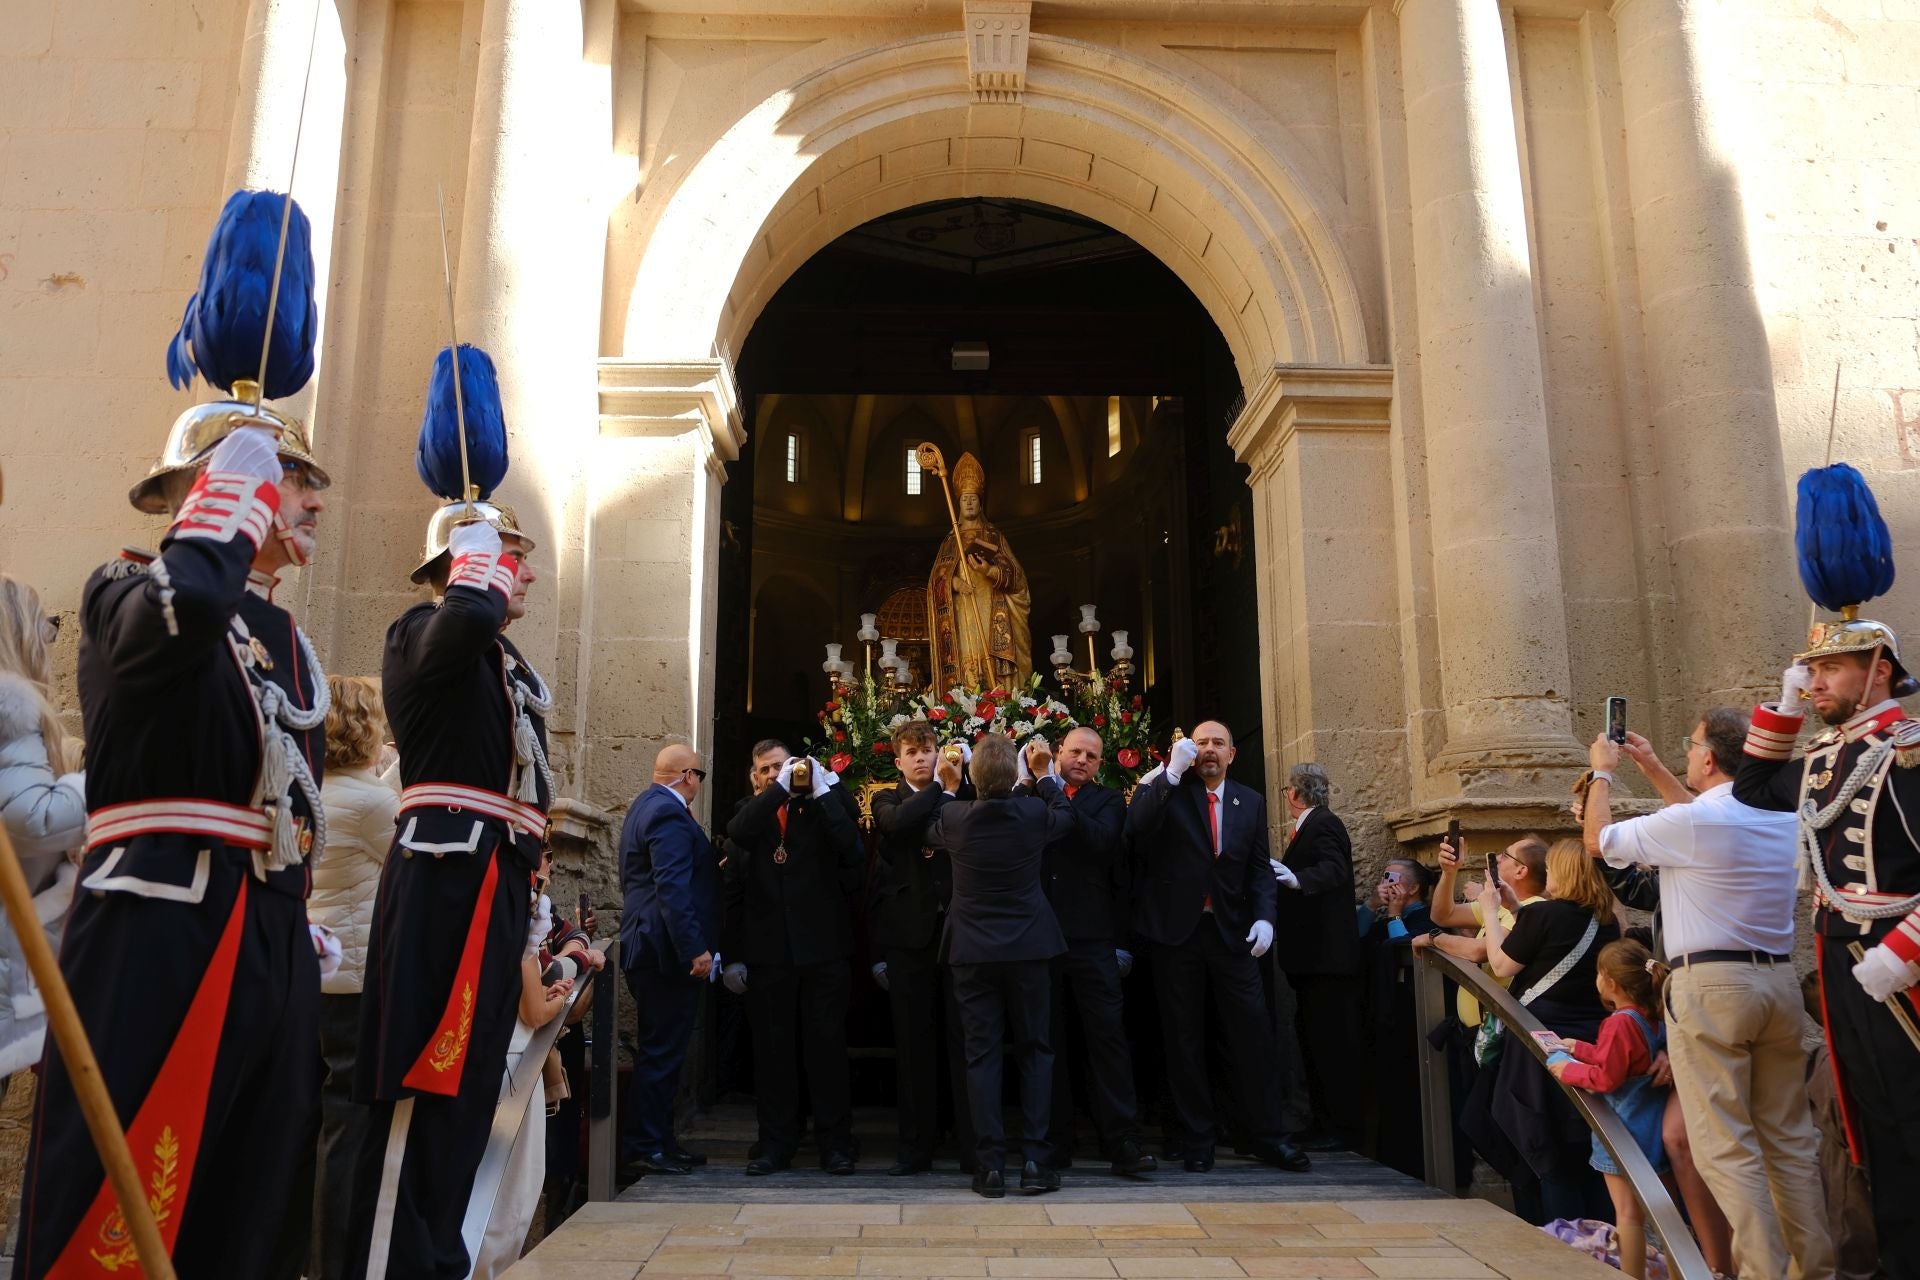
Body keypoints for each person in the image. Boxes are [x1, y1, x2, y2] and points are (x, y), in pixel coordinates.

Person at [16, 403, 333, 1278]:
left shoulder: (284, 634)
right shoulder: (127, 588)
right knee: (124, 1201)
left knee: (257, 1200)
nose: (314, 499)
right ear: (212, 485)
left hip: (270, 928)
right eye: (293, 476)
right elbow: (188, 601)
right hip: (163, 924)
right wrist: (229, 495)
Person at [349, 488, 553, 1280]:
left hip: (492, 878)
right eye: (513, 559)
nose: (525, 575)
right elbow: (456, 629)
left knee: (468, 1092)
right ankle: (393, 1263)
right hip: (444, 877)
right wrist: (476, 567)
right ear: (465, 567)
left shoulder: (499, 656)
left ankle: (438, 1260)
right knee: (425, 1084)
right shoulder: (422, 632)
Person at [1587, 711, 1834, 1280]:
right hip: (1775, 981)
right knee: (1790, 1139)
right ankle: (1815, 1268)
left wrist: (1602, 773)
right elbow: (1702, 820)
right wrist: (1653, 767)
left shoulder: (1697, 821)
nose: (1687, 753)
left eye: (1690, 744)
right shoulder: (1779, 818)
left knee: (1725, 1145)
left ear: (1708, 757)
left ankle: (1763, 1272)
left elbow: (1598, 842)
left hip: (1711, 985)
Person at [1736, 625, 1920, 1278]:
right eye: (1808, 672)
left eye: (1830, 669)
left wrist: (1905, 950)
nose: (1815, 684)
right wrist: (1784, 706)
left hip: (1900, 964)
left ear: (1879, 670)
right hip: (1842, 962)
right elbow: (1753, 787)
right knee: (1875, 1126)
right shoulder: (1822, 758)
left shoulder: (1908, 751)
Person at [1125, 721, 1308, 1173]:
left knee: (1253, 1034)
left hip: (1232, 934)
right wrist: (1169, 772)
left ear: (1231, 754)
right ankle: (1197, 1139)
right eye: (1201, 742)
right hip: (1176, 934)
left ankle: (1267, 1136)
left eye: (1217, 743)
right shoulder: (1170, 789)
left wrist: (1265, 917)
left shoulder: (1251, 801)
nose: (1208, 749)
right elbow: (1135, 829)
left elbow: (1258, 868)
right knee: (1183, 1037)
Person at [931, 734, 1072, 1196]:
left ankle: (989, 1165)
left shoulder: (954, 816)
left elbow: (929, 825)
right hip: (1028, 948)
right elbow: (1066, 816)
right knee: (1035, 1050)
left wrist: (948, 786)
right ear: (1016, 776)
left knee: (981, 1055)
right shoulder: (1032, 813)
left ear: (972, 777)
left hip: (972, 950)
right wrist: (1045, 775)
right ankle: (1034, 1161)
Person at [722, 745, 865, 1175]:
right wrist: (778, 791)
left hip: (823, 950)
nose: (773, 774)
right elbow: (738, 835)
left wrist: (820, 789)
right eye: (764, 769)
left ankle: (835, 1143)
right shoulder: (751, 812)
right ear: (755, 778)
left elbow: (852, 848)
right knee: (773, 1053)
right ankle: (775, 1143)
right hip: (769, 953)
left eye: (780, 767)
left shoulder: (822, 806)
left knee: (826, 1050)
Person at [1031, 726, 1155, 1176]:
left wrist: (1049, 787)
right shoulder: (1030, 794)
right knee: (1047, 1041)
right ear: (1058, 752)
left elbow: (1100, 843)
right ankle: (1052, 1142)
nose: (1082, 760)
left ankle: (1121, 1140)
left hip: (1092, 938)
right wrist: (1040, 785)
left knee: (1108, 1041)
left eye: (1092, 756)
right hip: (1041, 939)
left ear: (1101, 764)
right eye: (1075, 752)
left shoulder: (1107, 801)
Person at [311, 675, 400, 1280]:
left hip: (314, 975)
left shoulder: (312, 791)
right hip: (355, 978)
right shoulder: (371, 802)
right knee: (351, 1128)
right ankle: (339, 1264)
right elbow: (401, 864)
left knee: (319, 1124)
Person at [1483, 838, 1619, 1224]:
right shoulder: (1606, 921)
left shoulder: (1545, 914)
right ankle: (1599, 1235)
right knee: (1588, 1142)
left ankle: (1562, 1235)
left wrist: (1492, 912)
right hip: (1589, 1042)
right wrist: (1516, 909)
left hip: (1542, 1043)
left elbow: (1501, 965)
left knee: (1546, 1143)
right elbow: (1552, 950)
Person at [868, 720, 974, 1174]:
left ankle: (971, 1144)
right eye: (912, 752)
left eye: (927, 750)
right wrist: (942, 790)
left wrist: (956, 787)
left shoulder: (965, 793)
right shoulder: (886, 799)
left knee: (964, 1040)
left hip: (959, 933)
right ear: (899, 761)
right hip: (907, 937)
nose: (921, 758)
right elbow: (899, 826)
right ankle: (916, 1146)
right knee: (914, 1045)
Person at [618, 742, 720, 1175]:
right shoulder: (668, 814)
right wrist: (694, 948)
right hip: (663, 953)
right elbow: (672, 887)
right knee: (661, 1053)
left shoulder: (646, 805)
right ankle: (644, 1145)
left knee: (665, 1051)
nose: (698, 783)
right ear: (688, 776)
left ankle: (660, 1139)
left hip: (653, 949)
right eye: (699, 775)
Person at [0, 577, 86, 1086]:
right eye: (48, 626)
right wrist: (103, 782)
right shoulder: (9, 708)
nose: (53, 640)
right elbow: (35, 820)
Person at [1544, 939, 1671, 1280]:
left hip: (1621, 1131)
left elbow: (1607, 1078)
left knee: (1628, 1217)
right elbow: (1624, 1060)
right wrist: (1580, 1048)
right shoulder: (1651, 1018)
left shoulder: (1617, 1022)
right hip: (1650, 1128)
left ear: (1611, 982)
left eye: (1599, 973)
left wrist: (1567, 1069)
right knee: (1662, 1217)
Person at [1272, 763, 1364, 1151]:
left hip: (1327, 962)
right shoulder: (1314, 824)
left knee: (1331, 1048)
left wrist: (1298, 879)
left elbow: (1333, 869)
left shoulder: (1324, 824)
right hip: (1313, 962)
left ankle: (1339, 1129)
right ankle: (1322, 1122)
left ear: (1294, 793)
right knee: (1315, 1043)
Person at [926, 450, 1032, 689]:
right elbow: (936, 580)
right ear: (958, 503)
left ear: (980, 502)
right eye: (965, 499)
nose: (969, 502)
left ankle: (997, 694)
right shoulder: (950, 540)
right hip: (962, 612)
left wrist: (990, 571)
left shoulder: (993, 535)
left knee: (990, 660)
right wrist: (953, 582)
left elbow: (1017, 577)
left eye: (973, 498)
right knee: (967, 660)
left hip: (989, 608)